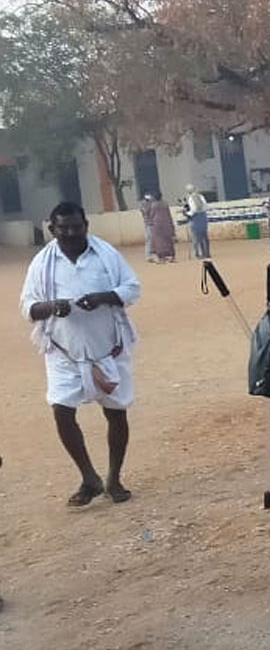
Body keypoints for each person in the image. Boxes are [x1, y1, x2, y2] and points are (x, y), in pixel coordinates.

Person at [19, 203, 141, 506]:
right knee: (61, 410)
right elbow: (27, 307)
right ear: (53, 230)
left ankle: (114, 478)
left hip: (108, 350)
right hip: (63, 353)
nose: (71, 233)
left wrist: (103, 298)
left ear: (86, 225)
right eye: (64, 228)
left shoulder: (106, 256)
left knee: (116, 412)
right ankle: (89, 477)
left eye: (77, 226)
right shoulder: (41, 263)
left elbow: (132, 288)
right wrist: (52, 306)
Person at [184, 184, 211, 260]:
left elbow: (194, 209)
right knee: (204, 235)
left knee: (196, 236)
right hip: (203, 216)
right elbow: (206, 206)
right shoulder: (201, 196)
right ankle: (207, 253)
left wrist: (187, 214)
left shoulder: (191, 198)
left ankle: (197, 254)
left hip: (196, 218)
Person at [148, 192, 176, 263]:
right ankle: (170, 256)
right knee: (168, 240)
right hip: (167, 223)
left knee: (159, 241)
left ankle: (161, 257)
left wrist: (150, 223)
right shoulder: (165, 204)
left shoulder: (154, 205)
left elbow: (152, 215)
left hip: (157, 224)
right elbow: (168, 214)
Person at [138, 195, 155, 262]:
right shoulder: (144, 204)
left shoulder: (150, 203)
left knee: (153, 239)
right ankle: (148, 255)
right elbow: (145, 211)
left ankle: (152, 254)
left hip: (152, 223)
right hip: (148, 223)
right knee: (149, 239)